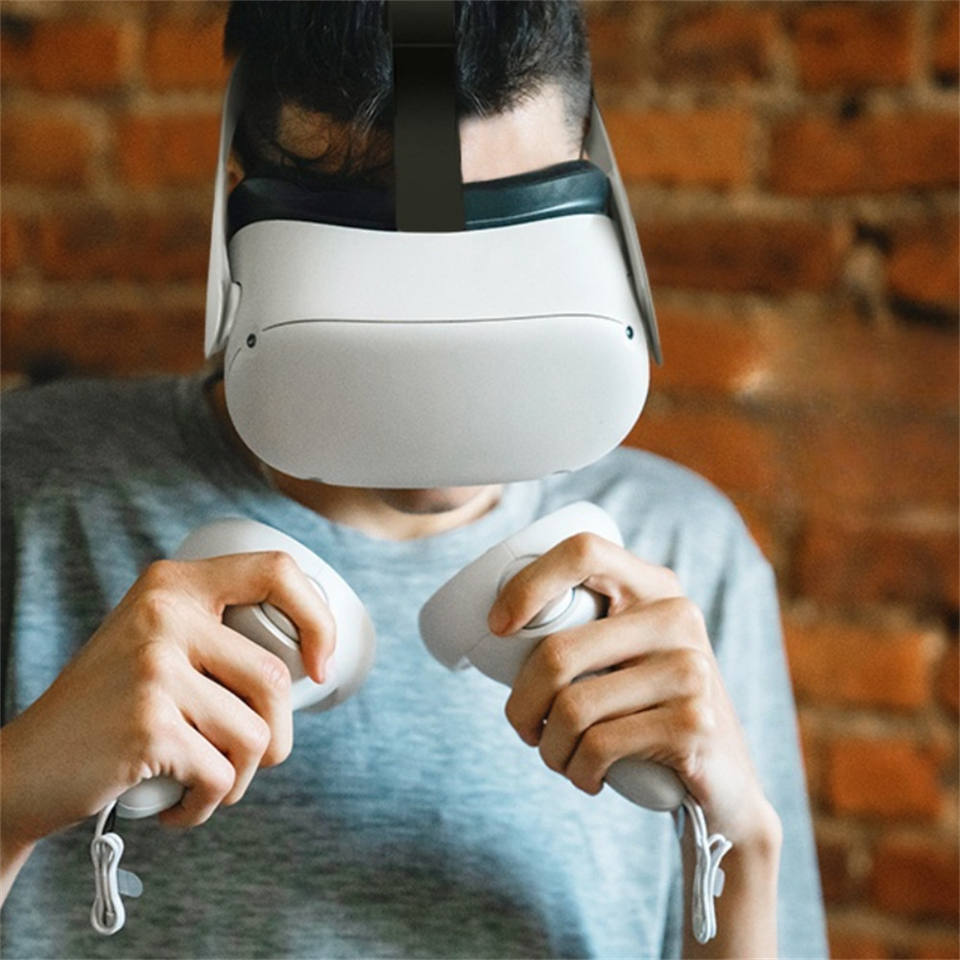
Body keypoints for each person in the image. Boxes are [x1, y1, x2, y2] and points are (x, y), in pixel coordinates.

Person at [0, 2, 828, 957]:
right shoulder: (30, 495)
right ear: (238, 213)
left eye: (509, 244)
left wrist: (742, 846)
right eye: (372, 266)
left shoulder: (684, 553)